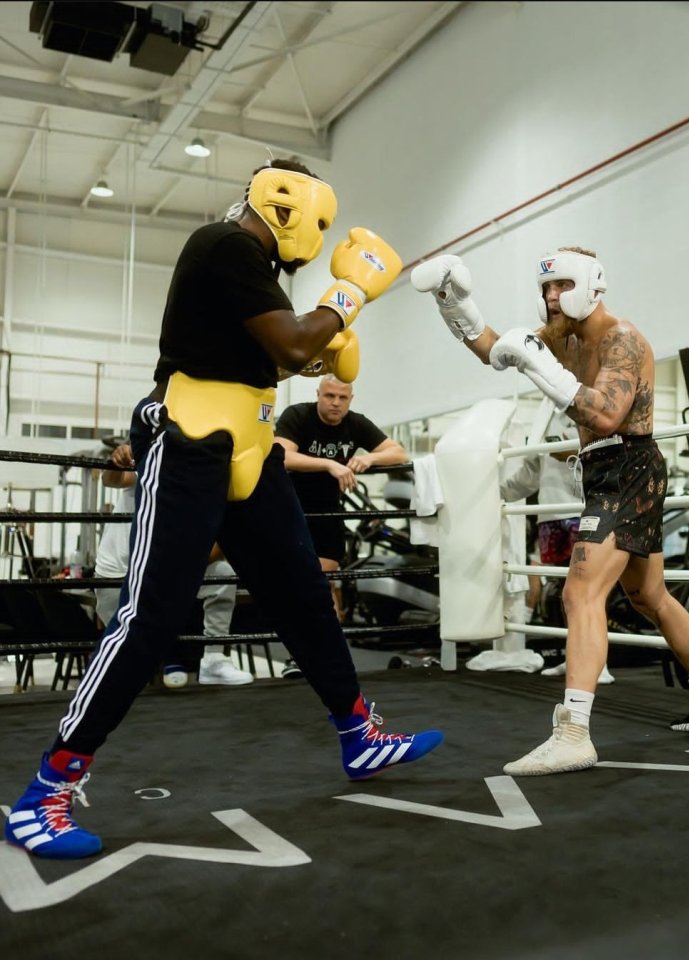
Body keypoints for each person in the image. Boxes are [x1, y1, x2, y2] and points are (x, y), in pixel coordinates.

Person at [4, 157, 442, 860]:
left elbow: (278, 359)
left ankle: (361, 735)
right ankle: (44, 792)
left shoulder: (255, 275)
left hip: (250, 444)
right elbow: (296, 339)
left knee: (302, 592)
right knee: (149, 617)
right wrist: (347, 298)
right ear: (283, 200)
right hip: (190, 441)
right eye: (318, 218)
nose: (318, 234)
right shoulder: (224, 245)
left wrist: (323, 349)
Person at [411, 246, 689, 776]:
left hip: (628, 466)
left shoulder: (621, 339)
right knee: (649, 594)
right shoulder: (564, 337)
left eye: (561, 286)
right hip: (606, 471)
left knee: (581, 592)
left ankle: (573, 733)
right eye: (545, 288)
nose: (550, 297)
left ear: (591, 284)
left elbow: (608, 415)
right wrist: (454, 301)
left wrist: (538, 362)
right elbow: (496, 349)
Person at [274, 374, 409, 676]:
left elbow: (399, 452)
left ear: (350, 399)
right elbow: (281, 455)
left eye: (342, 398)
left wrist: (370, 459)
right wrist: (329, 464)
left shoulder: (356, 423)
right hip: (291, 510)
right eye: (329, 396)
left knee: (325, 584)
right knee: (298, 585)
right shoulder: (298, 414)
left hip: (327, 513)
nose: (335, 403)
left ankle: (325, 656)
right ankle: (300, 657)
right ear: (318, 394)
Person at [95, 442, 253, 688]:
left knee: (221, 572)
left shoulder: (207, 484)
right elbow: (113, 480)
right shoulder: (156, 460)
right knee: (127, 662)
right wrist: (116, 462)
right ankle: (163, 658)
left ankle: (212, 658)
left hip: (161, 572)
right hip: (119, 575)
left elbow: (221, 542)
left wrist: (185, 564)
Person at [500, 401, 614, 685]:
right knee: (566, 593)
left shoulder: (592, 405)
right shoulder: (542, 414)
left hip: (585, 510)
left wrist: (570, 449)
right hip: (550, 516)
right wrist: (493, 490)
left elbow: (607, 452)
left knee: (591, 591)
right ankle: (574, 657)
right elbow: (529, 473)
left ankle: (600, 665)